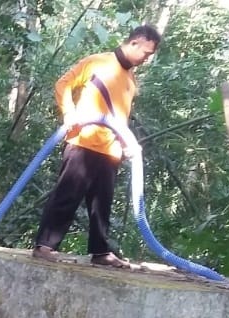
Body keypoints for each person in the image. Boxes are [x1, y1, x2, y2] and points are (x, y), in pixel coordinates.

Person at [31, 25, 161, 269]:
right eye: (146, 53)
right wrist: (69, 113)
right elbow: (63, 84)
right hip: (84, 140)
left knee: (102, 204)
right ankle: (45, 246)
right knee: (66, 195)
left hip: (110, 149)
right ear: (134, 43)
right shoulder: (97, 62)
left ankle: (101, 251)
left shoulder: (131, 80)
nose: (146, 59)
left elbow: (120, 116)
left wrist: (126, 143)